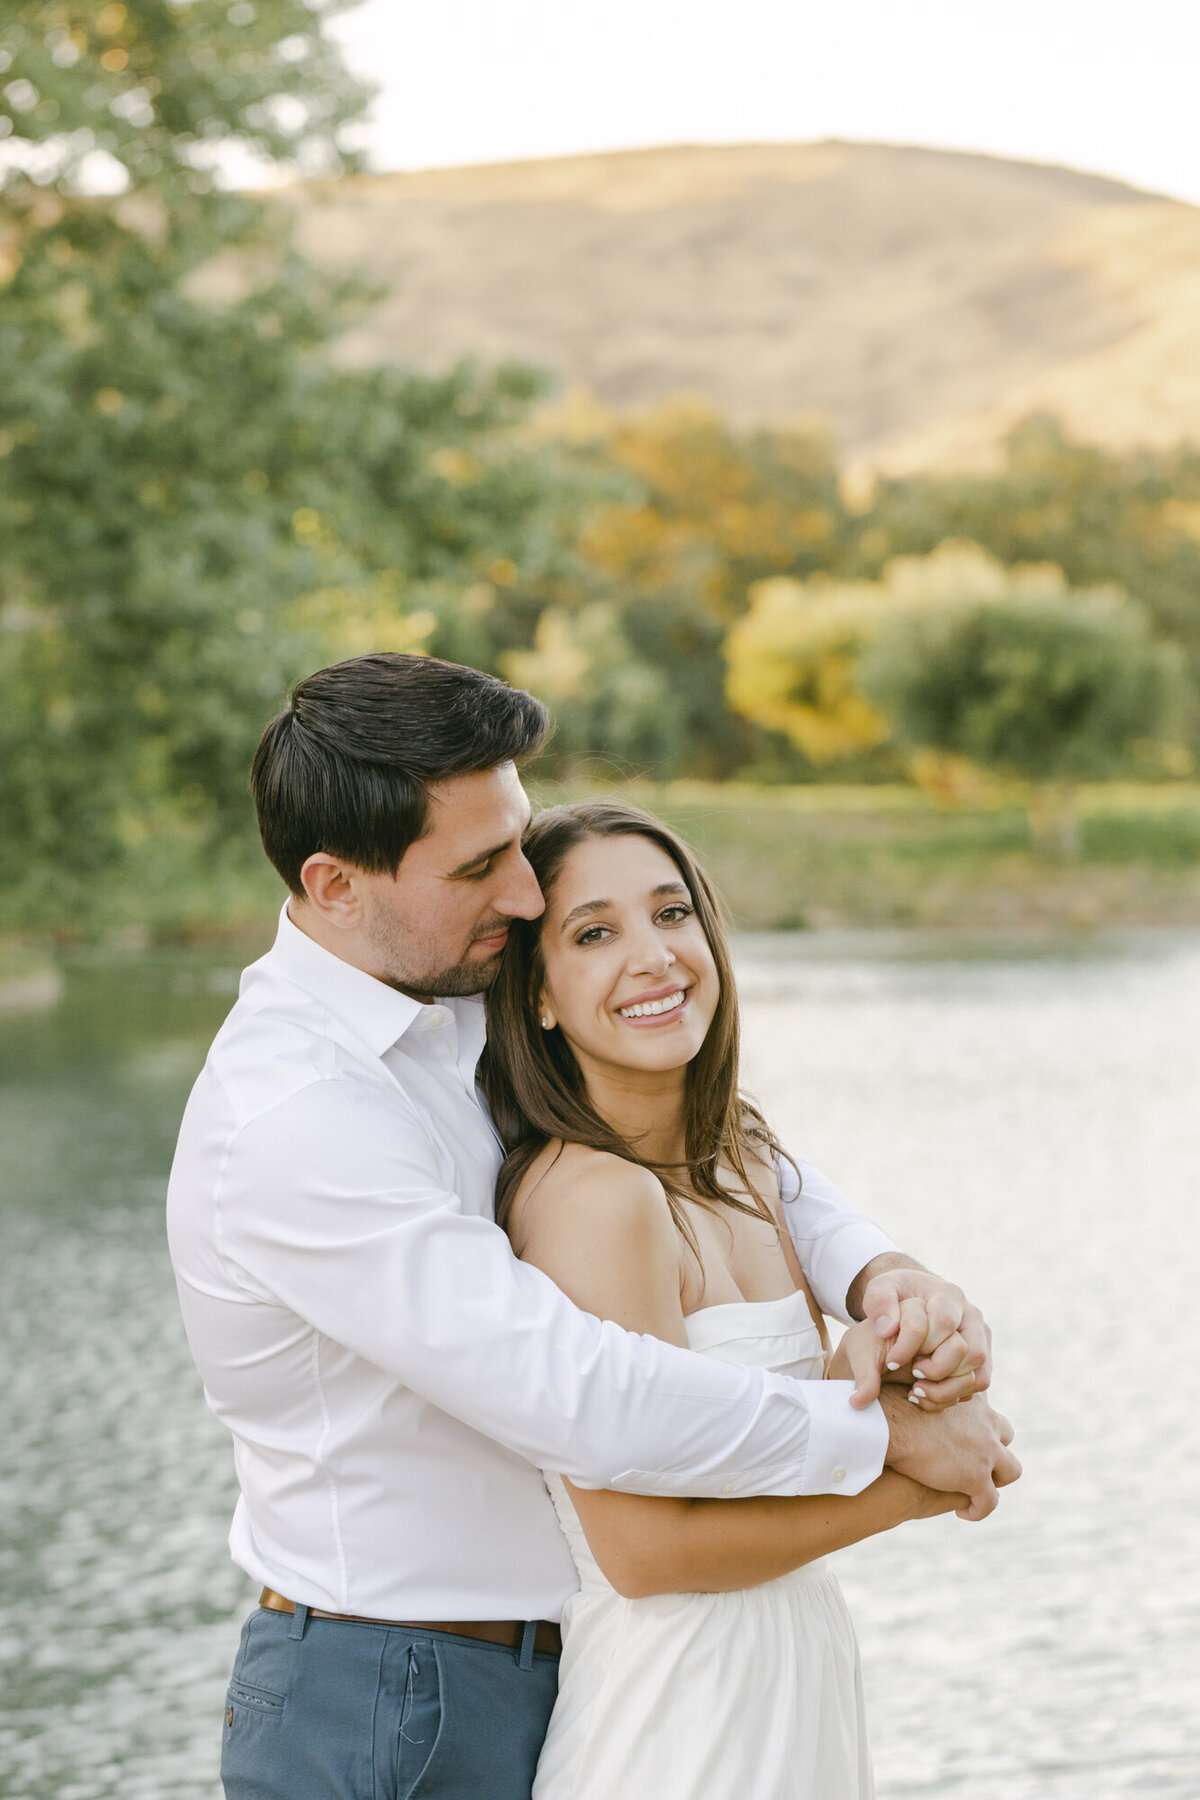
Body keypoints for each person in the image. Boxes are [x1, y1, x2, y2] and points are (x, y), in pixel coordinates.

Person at [167, 652, 1015, 1800]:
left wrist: (881, 1276)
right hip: (385, 1692)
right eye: (480, 866)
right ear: (336, 885)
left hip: (559, 1666)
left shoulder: (449, 996)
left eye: (517, 843)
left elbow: (715, 1153)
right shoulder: (299, 1119)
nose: (524, 895)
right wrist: (886, 1446)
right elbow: (583, 1392)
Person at [480, 798, 1019, 1798]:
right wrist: (917, 1482)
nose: (654, 955)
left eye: (672, 914)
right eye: (595, 934)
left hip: (791, 1677)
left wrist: (892, 1359)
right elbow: (644, 1549)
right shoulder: (593, 1200)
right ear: (541, 996)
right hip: (676, 1715)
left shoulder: (747, 1167)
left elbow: (763, 1434)